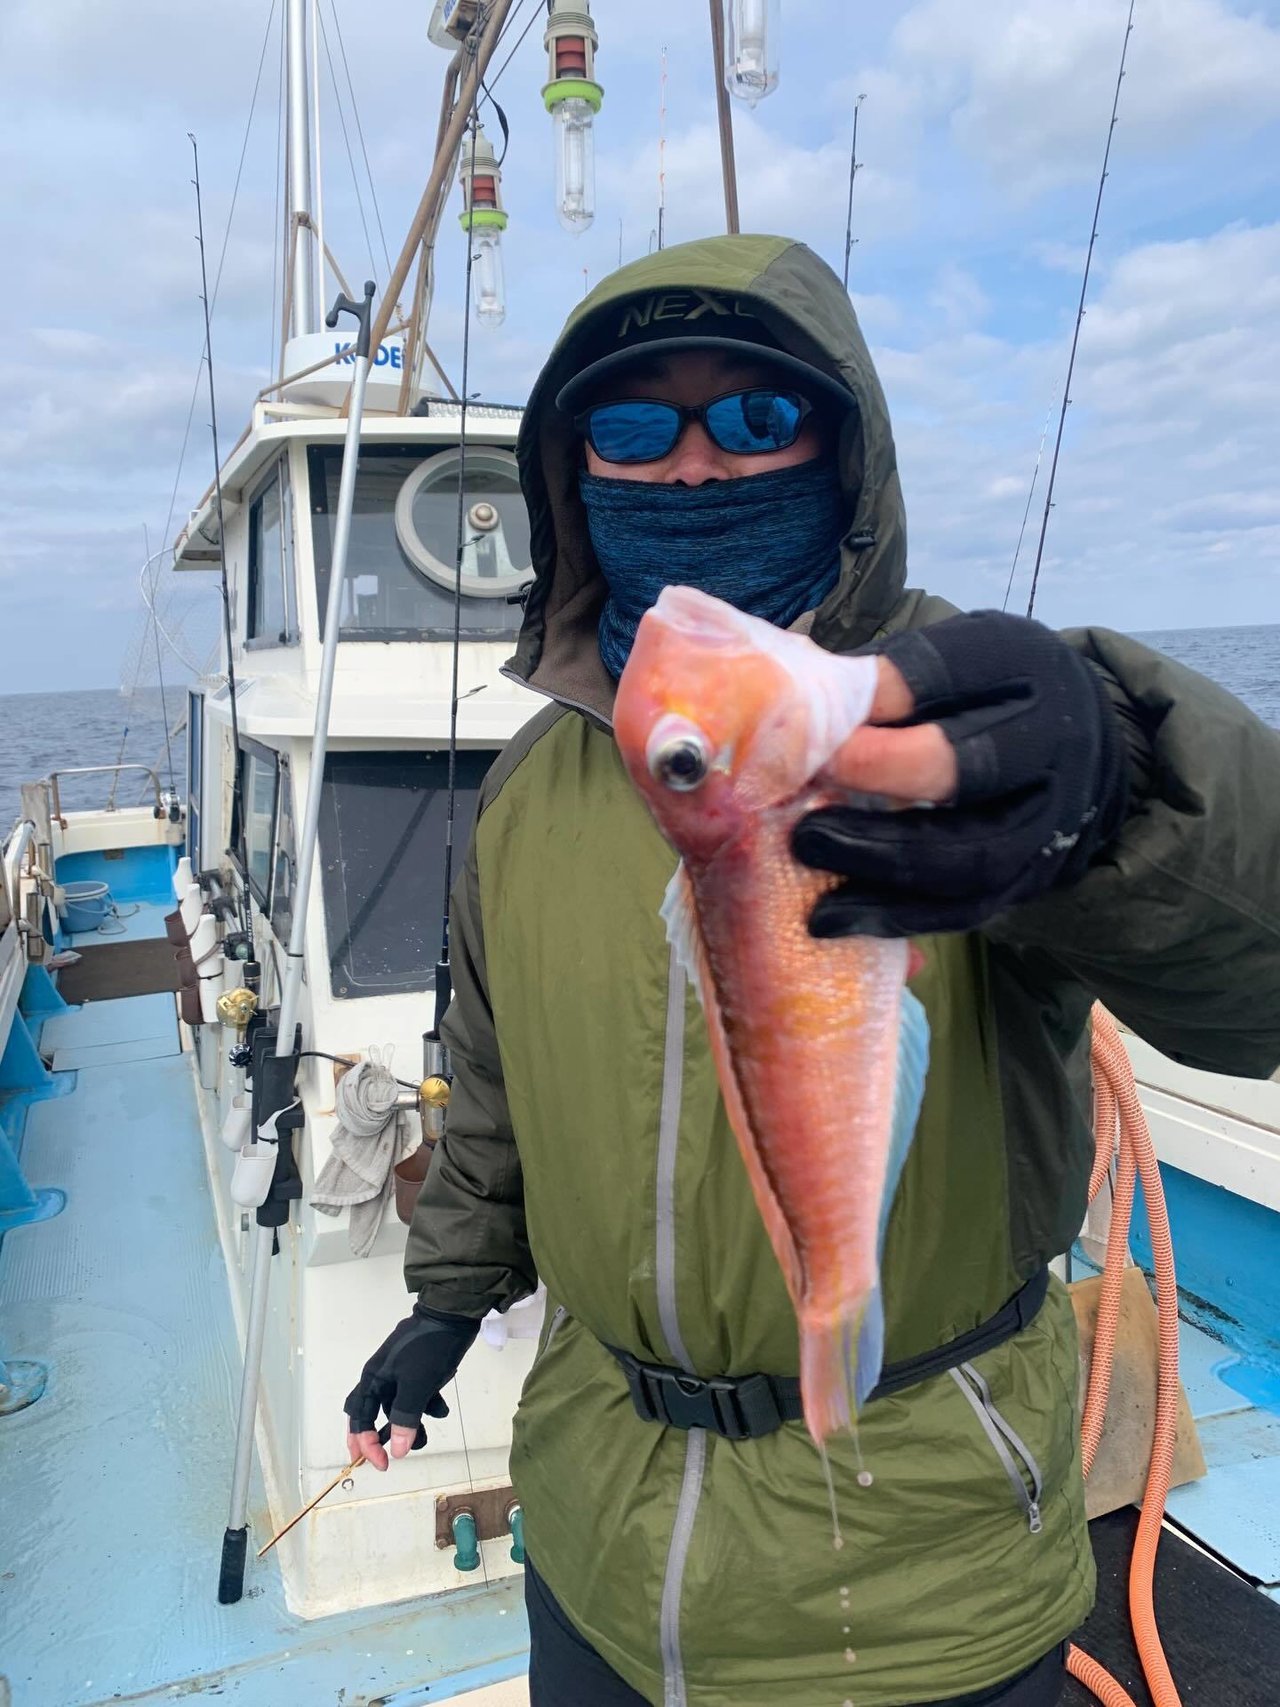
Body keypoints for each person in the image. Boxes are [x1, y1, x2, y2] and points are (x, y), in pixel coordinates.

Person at [345, 235, 1280, 1707]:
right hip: (595, 1542)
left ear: (845, 450)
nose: (695, 467)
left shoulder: (975, 716)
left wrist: (1119, 787)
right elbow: (500, 1084)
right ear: (574, 474)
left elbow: (1258, 989)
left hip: (923, 1581)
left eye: (757, 416)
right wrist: (449, 1297)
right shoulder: (527, 790)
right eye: (632, 427)